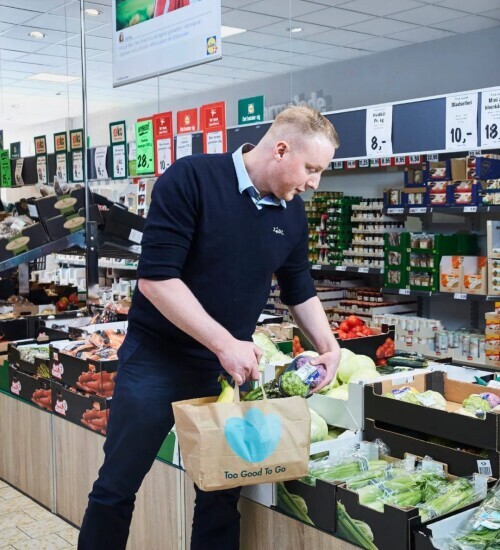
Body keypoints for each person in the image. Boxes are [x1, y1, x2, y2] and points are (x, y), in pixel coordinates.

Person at [78, 105, 341, 550]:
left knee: (221, 493)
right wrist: (225, 343)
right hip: (156, 363)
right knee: (117, 486)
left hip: (225, 372)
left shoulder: (290, 214)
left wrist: (330, 347)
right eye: (311, 168)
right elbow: (157, 279)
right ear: (280, 149)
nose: (314, 182)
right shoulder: (192, 178)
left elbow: (299, 288)